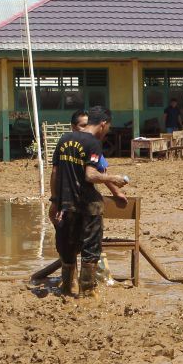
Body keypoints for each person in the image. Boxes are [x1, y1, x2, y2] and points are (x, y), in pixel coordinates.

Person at [49, 106, 127, 298]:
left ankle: (67, 288)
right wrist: (115, 179)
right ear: (103, 124)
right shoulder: (93, 143)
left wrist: (54, 200)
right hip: (88, 206)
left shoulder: (64, 139)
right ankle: (88, 291)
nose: (107, 130)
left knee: (67, 246)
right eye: (108, 127)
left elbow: (55, 173)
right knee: (90, 248)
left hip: (67, 204)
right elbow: (91, 174)